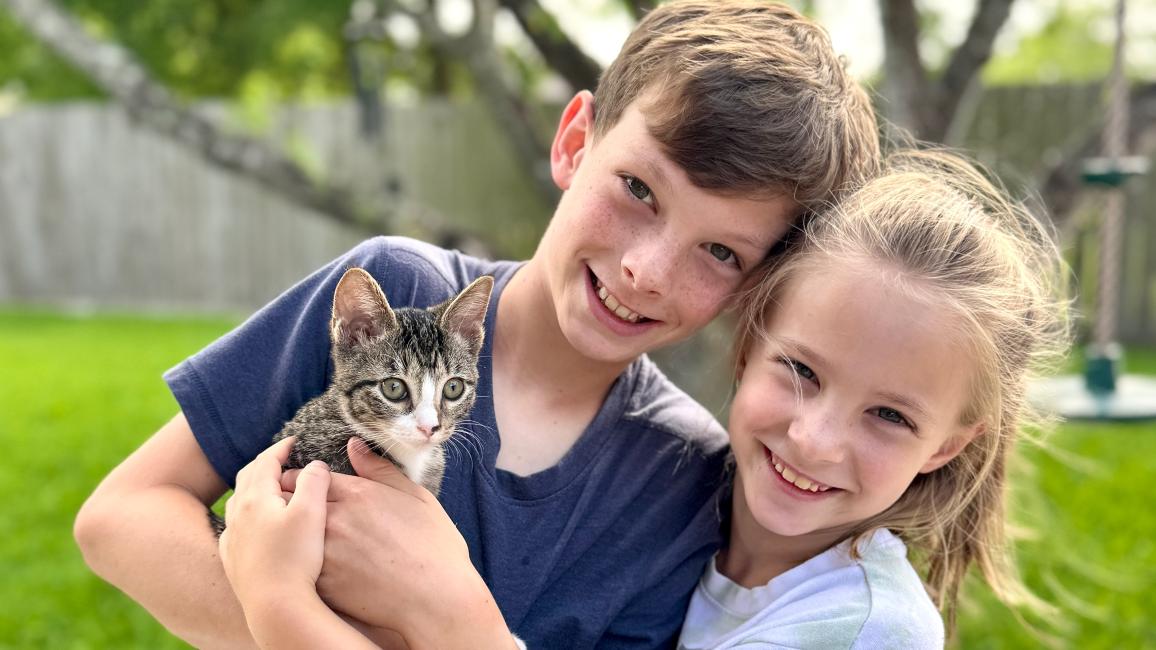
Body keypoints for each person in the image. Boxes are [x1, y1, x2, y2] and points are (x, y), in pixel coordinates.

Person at [73, 1, 880, 647]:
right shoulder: (395, 295)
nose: (647, 270)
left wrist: (415, 617)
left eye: (720, 252)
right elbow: (122, 516)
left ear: (753, 285)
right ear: (574, 142)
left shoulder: (681, 484)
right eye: (639, 189)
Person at [676, 149, 1070, 649]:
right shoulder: (671, 492)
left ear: (945, 447)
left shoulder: (869, 631)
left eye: (889, 415)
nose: (814, 442)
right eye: (801, 371)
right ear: (749, 347)